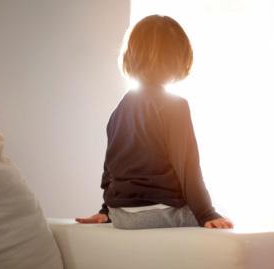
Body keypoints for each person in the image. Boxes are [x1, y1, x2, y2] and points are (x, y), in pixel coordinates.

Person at [75, 15, 233, 229]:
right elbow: (188, 169)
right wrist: (207, 214)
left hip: (121, 215)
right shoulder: (175, 106)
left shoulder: (119, 110)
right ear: (179, 59)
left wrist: (106, 210)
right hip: (159, 213)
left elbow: (111, 168)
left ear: (130, 57)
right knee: (218, 215)